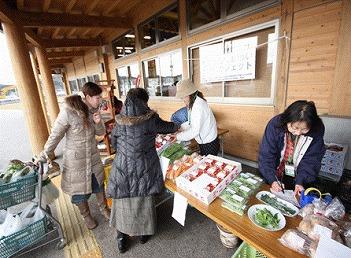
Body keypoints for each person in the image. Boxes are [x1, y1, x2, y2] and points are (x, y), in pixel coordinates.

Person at [107, 88, 179, 253]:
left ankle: (121, 238)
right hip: (144, 167)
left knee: (122, 202)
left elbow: (115, 144)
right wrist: (177, 125)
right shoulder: (150, 119)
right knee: (143, 201)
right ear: (143, 102)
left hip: (122, 167)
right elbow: (167, 127)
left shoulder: (119, 120)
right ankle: (143, 234)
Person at [39, 82, 110, 230]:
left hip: (93, 155)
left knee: (98, 185)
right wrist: (45, 153)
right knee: (78, 192)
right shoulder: (68, 111)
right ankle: (86, 216)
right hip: (75, 159)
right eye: (97, 98)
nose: (100, 100)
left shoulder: (94, 110)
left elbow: (100, 132)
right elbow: (55, 134)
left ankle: (104, 209)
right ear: (88, 97)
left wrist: (98, 122)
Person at [258, 100, 326, 196]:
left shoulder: (317, 129)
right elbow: (267, 155)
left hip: (298, 172)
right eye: (294, 128)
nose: (298, 133)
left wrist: (301, 181)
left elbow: (312, 159)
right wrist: (272, 179)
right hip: (276, 168)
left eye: (304, 129)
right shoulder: (276, 125)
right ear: (287, 120)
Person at [175, 79, 219, 156]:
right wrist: (180, 128)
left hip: (208, 143)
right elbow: (192, 122)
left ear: (188, 94)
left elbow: (194, 131)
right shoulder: (195, 102)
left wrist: (177, 137)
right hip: (206, 140)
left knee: (207, 165)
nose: (182, 100)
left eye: (182, 97)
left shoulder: (198, 106)